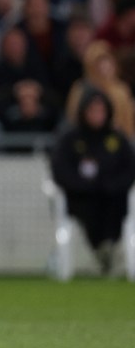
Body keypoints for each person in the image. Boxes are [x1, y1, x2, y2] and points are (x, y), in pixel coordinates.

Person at [50, 88, 135, 274]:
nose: (97, 115)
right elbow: (60, 170)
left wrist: (111, 184)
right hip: (81, 197)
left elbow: (129, 169)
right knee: (88, 207)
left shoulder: (118, 139)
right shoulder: (70, 139)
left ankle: (109, 245)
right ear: (83, 111)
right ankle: (102, 248)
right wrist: (83, 185)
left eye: (101, 111)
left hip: (113, 197)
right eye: (93, 110)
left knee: (115, 205)